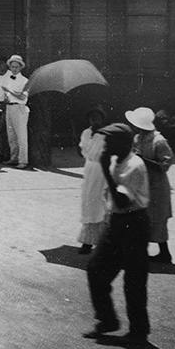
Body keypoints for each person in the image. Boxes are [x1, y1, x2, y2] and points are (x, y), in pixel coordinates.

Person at [84, 122, 152, 345]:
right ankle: (108, 319)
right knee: (96, 269)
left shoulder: (134, 165)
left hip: (133, 223)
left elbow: (123, 201)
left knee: (134, 281)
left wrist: (105, 170)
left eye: (111, 141)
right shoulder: (117, 160)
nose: (106, 145)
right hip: (116, 222)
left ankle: (139, 330)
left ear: (124, 143)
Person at [126, 107, 175, 264]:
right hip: (142, 183)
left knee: (157, 219)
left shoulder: (158, 141)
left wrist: (143, 160)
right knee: (141, 218)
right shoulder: (137, 138)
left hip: (157, 184)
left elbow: (165, 164)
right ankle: (142, 252)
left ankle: (164, 253)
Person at [77, 106, 108, 254]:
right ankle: (88, 241)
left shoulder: (107, 134)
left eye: (97, 117)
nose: (94, 120)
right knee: (88, 202)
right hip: (89, 169)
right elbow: (83, 151)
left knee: (100, 202)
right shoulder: (86, 132)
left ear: (102, 118)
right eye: (91, 117)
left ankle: (102, 243)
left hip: (102, 170)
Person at [0, 54, 30, 168]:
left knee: (21, 135)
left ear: (21, 67)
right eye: (12, 67)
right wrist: (7, 98)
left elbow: (23, 97)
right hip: (9, 107)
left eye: (16, 67)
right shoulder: (9, 79)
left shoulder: (25, 81)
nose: (14, 69)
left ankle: (23, 161)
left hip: (19, 108)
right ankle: (14, 157)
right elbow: (9, 94)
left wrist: (9, 91)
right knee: (11, 135)